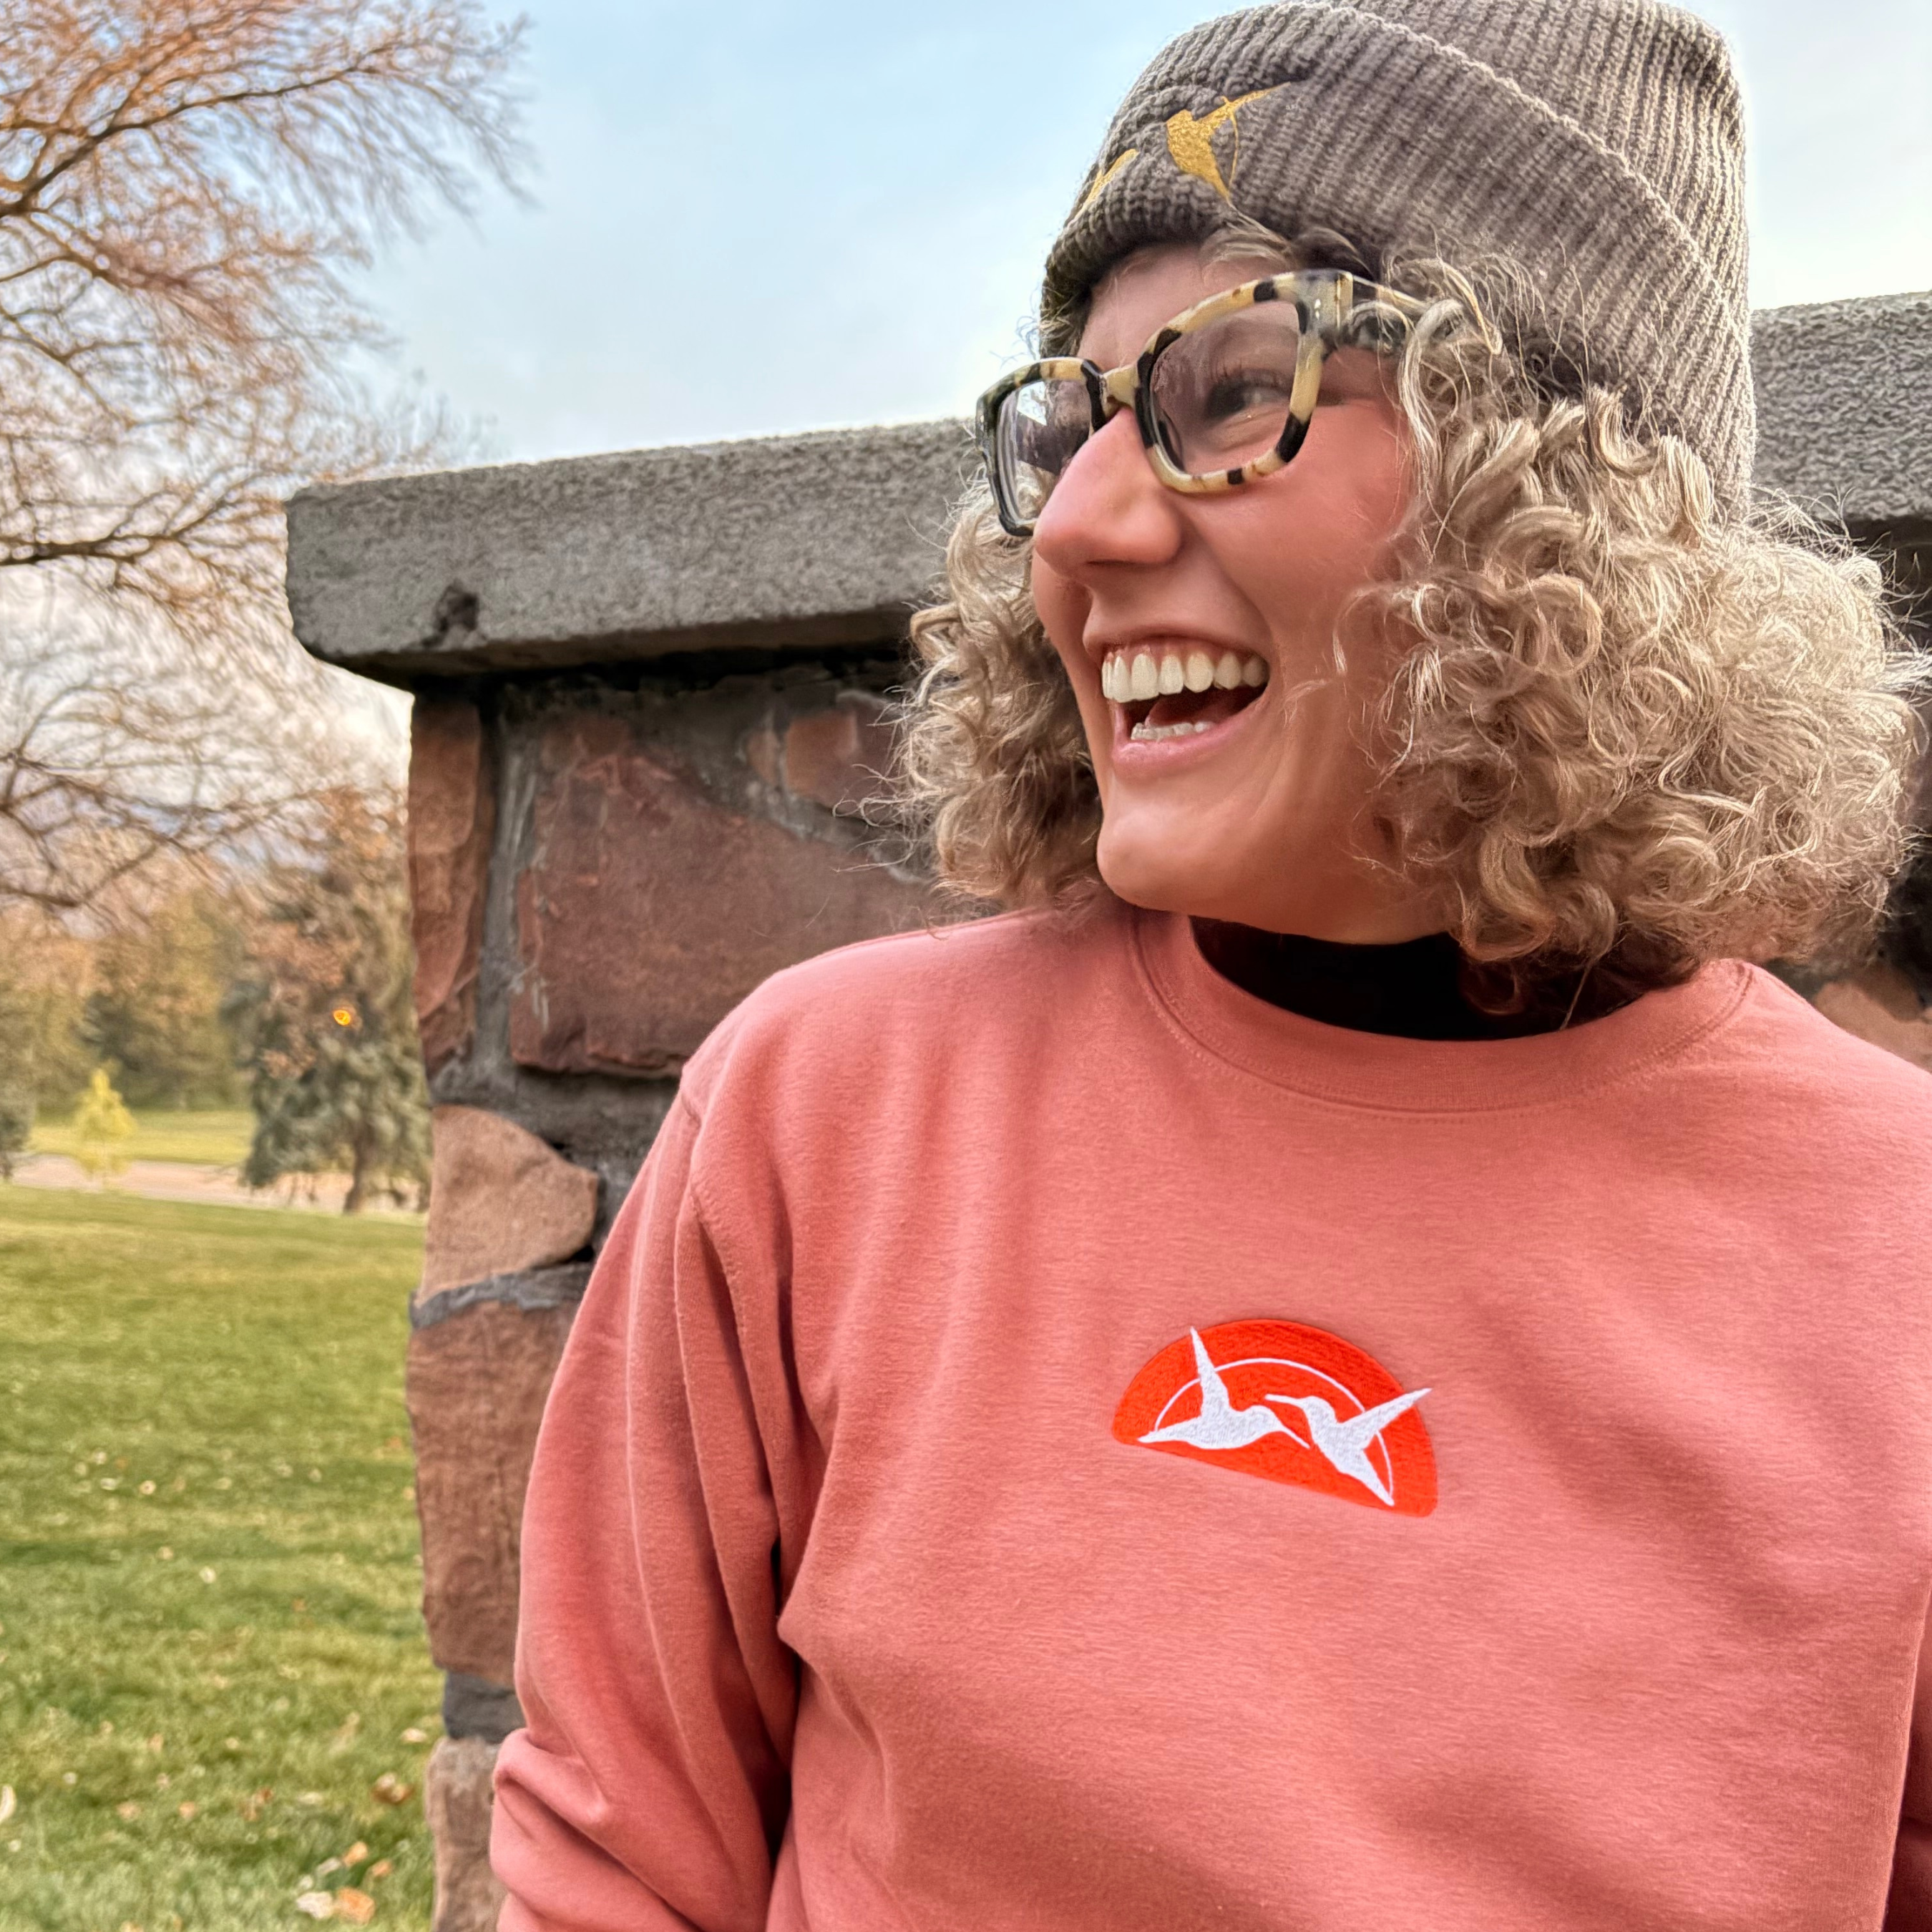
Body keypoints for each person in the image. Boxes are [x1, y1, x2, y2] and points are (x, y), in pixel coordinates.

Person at [492, 3, 1932, 1926]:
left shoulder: (1891, 1254)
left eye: (1230, 392)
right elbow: (614, 1853)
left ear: (1563, 495)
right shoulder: (824, 1113)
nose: (1077, 525)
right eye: (1069, 422)